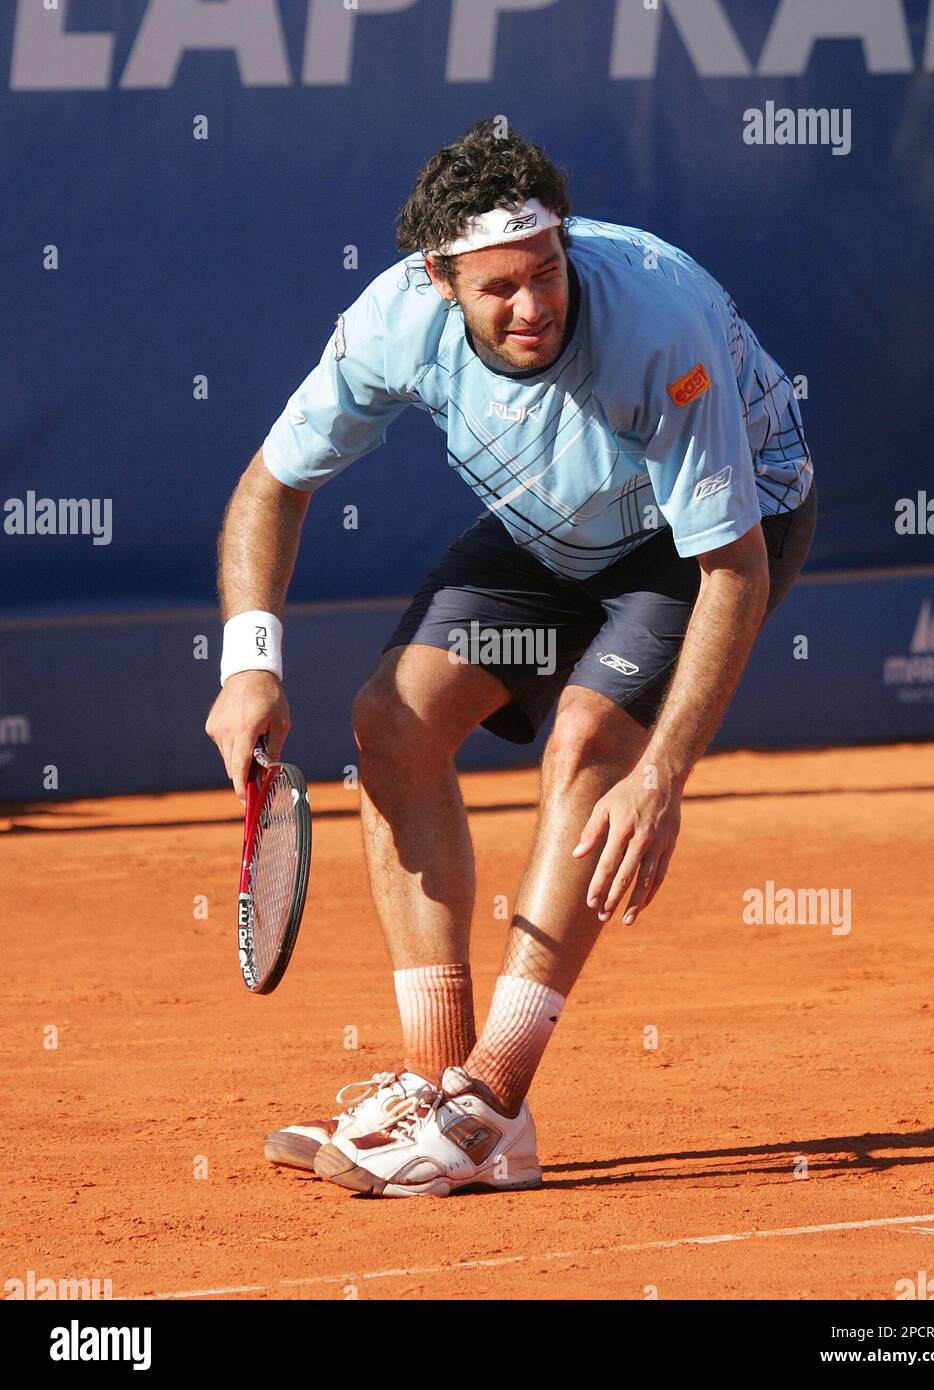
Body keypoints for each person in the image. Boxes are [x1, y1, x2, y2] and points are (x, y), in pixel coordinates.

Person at [205, 120, 816, 1198]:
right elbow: (271, 485)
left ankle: (485, 1102)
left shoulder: (653, 331)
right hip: (551, 526)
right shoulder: (390, 322)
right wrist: (249, 661)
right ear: (439, 282)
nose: (532, 304)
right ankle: (445, 1089)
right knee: (391, 720)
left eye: (547, 272)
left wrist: (662, 772)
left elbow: (734, 573)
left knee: (589, 742)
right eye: (498, 288)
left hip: (714, 535)